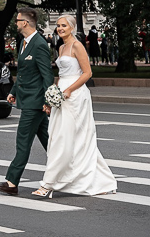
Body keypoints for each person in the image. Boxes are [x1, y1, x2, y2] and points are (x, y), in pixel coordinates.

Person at [33, 14, 116, 197]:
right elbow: (62, 74)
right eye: (58, 25)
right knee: (59, 137)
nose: (60, 28)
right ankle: (99, 180)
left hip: (76, 95)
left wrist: (69, 90)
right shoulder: (61, 47)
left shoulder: (77, 46)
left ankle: (48, 184)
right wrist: (50, 99)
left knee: (72, 138)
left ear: (71, 27)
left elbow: (87, 73)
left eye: (63, 25)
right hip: (61, 92)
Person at [0, 8, 53, 196]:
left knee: (23, 141)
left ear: (25, 23)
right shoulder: (24, 43)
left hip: (35, 103)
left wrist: (47, 101)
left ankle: (12, 182)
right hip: (27, 99)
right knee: (51, 142)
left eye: (17, 20)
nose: (15, 23)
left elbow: (47, 75)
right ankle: (71, 171)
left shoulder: (40, 44)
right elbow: (25, 73)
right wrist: (14, 91)